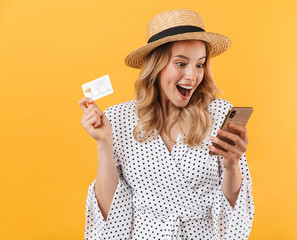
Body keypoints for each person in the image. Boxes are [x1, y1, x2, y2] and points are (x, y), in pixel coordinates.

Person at [78, 9, 254, 240]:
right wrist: (104, 143)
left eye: (199, 65)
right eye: (181, 64)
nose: (192, 76)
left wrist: (232, 164)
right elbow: (112, 214)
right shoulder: (118, 119)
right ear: (156, 66)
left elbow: (233, 211)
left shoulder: (218, 112)